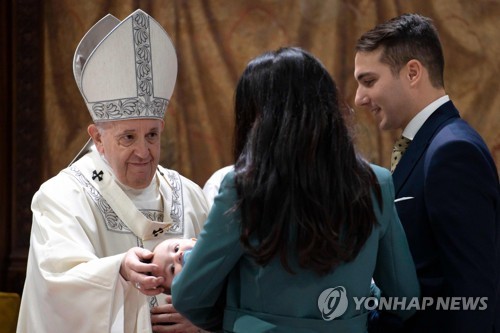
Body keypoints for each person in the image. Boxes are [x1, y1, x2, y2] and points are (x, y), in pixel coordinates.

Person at [171, 47, 420, 332]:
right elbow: (406, 298)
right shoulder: (376, 183)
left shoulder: (243, 187)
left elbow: (188, 295)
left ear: (255, 119)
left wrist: (235, 319)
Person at [16, 9, 209, 333]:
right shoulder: (62, 197)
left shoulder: (188, 195)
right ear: (98, 139)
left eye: (151, 135)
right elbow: (56, 284)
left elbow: (223, 280)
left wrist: (203, 320)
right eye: (128, 138)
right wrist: (118, 270)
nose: (143, 152)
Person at [354, 13, 500, 333]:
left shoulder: (452, 151)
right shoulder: (429, 144)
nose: (359, 98)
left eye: (369, 81)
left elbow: (474, 295)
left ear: (413, 72)